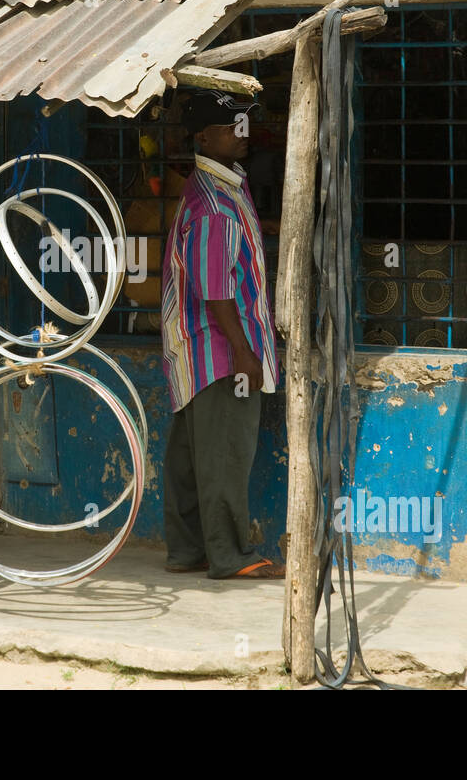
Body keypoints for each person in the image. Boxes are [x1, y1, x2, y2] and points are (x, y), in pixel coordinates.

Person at [159, 91, 284, 579]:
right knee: (226, 455)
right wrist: (243, 354)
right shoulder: (213, 203)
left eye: (244, 125)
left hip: (196, 349)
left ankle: (188, 550)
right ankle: (231, 557)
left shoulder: (216, 188)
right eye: (234, 126)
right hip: (219, 351)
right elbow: (215, 289)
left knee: (192, 457)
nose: (244, 134)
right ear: (205, 137)